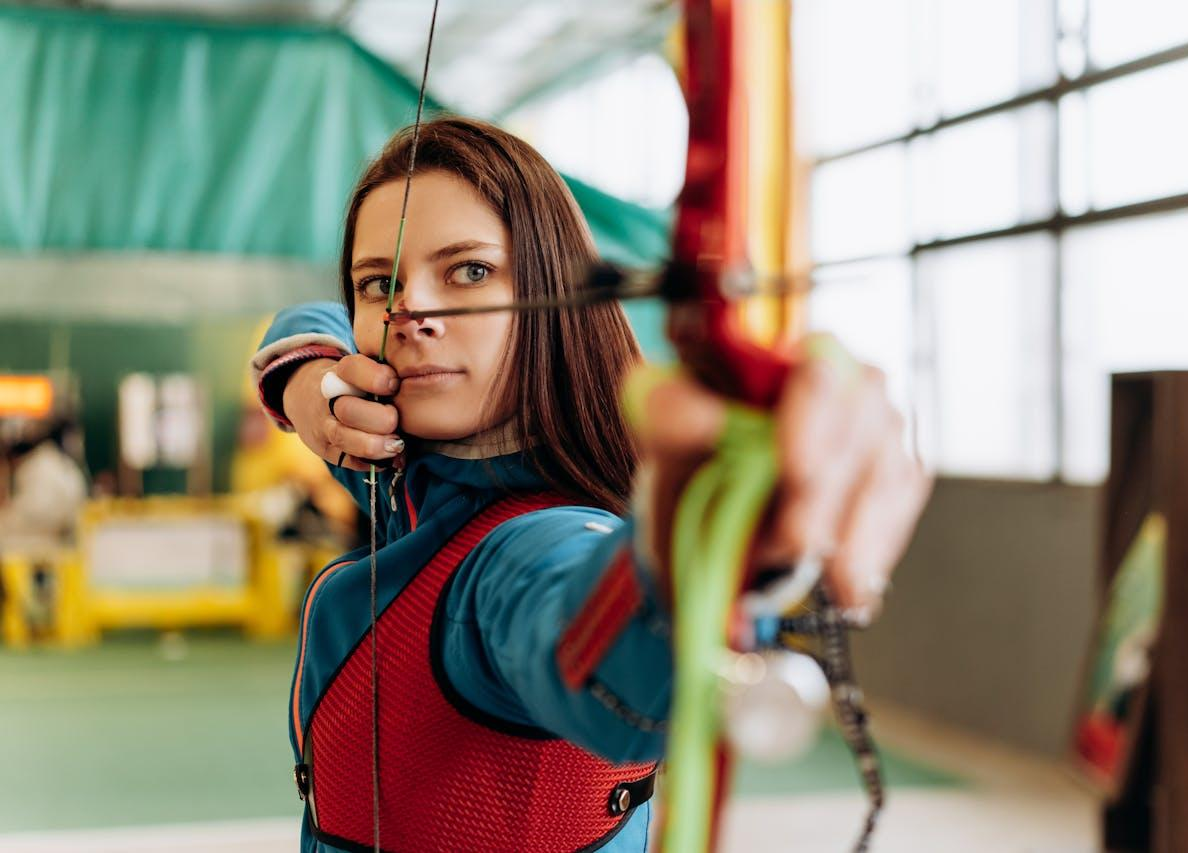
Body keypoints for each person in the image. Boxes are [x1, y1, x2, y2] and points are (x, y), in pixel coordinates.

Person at [252, 117, 930, 853]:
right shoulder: (401, 472)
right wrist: (309, 379)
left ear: (553, 292)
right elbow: (305, 321)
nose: (407, 314)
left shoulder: (523, 551)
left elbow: (589, 634)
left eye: (469, 271)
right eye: (377, 282)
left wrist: (706, 545)